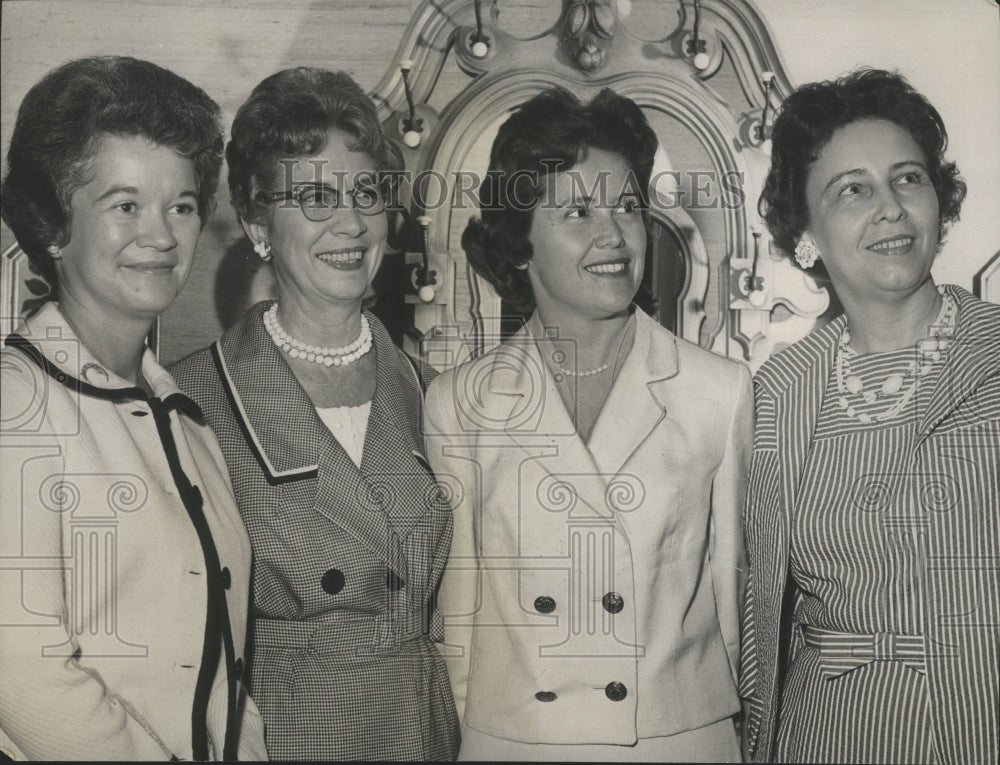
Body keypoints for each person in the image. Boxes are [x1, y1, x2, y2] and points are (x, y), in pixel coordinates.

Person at [423, 87, 752, 761]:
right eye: (578, 211)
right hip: (518, 743)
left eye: (628, 207)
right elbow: (457, 619)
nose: (615, 235)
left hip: (675, 742)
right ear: (519, 244)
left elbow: (735, 606)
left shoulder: (717, 392)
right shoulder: (458, 403)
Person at [170, 67, 460, 761]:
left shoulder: (437, 392)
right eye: (316, 198)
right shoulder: (189, 401)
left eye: (366, 193)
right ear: (257, 224)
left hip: (425, 732)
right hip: (284, 734)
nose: (352, 223)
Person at [0, 56, 267, 761]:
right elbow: (22, 669)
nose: (162, 235)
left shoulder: (184, 417)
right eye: (125, 205)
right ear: (54, 225)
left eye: (180, 205)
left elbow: (226, 671)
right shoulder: (14, 404)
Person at [740, 68, 1000, 764]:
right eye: (852, 189)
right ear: (806, 233)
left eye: (907, 179)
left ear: (938, 204)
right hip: (825, 733)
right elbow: (760, 619)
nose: (889, 207)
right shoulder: (777, 391)